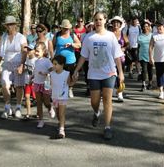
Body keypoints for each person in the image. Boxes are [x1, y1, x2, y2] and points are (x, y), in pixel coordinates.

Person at [73, 11, 125, 140]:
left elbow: (117, 55)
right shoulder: (88, 37)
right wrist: (76, 70)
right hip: (94, 74)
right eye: (96, 19)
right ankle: (96, 112)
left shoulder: (111, 36)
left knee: (107, 100)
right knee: (94, 101)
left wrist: (121, 72)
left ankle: (107, 127)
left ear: (105, 21)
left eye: (100, 19)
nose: (98, 22)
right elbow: (83, 56)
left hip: (109, 73)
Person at [0, 15, 28, 119]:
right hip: (7, 64)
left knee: (19, 86)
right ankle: (7, 106)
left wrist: (22, 65)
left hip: (18, 64)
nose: (9, 26)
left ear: (15, 25)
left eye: (11, 24)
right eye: (8, 25)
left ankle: (18, 107)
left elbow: (25, 51)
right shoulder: (4, 37)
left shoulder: (21, 37)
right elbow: (1, 53)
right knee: (4, 84)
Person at [52, 19, 81, 98]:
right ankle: (61, 90)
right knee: (60, 75)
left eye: (67, 28)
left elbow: (79, 44)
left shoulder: (72, 35)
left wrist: (72, 44)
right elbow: (52, 46)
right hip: (59, 60)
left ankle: (70, 88)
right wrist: (51, 57)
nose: (66, 30)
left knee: (71, 75)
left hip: (70, 60)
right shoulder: (57, 35)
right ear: (61, 28)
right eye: (64, 28)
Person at [49, 55, 75, 139]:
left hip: (63, 97)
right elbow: (49, 84)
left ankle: (61, 130)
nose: (54, 66)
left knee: (61, 113)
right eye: (53, 64)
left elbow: (69, 84)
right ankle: (61, 123)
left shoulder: (66, 73)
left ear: (62, 64)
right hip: (55, 96)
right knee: (58, 114)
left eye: (56, 64)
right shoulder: (51, 74)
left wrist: (74, 80)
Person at [32, 43, 55, 128]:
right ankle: (41, 120)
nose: (36, 53)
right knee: (38, 102)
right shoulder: (36, 61)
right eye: (35, 51)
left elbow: (52, 71)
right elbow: (35, 71)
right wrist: (32, 76)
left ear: (44, 51)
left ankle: (50, 108)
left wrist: (46, 73)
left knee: (46, 102)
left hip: (46, 83)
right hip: (37, 83)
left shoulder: (47, 61)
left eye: (38, 51)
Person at [110, 16, 128, 102]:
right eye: (114, 22)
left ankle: (120, 93)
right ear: (112, 24)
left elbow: (128, 43)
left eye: (117, 23)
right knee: (111, 74)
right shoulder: (108, 33)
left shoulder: (122, 34)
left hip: (121, 58)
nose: (116, 24)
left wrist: (124, 48)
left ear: (120, 24)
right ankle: (111, 90)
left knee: (120, 75)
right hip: (110, 58)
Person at [137, 21, 153, 91]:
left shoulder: (152, 35)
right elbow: (138, 46)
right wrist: (137, 56)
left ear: (149, 27)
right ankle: (143, 84)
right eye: (144, 26)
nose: (145, 28)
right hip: (142, 55)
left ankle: (150, 83)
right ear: (142, 27)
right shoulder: (140, 36)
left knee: (150, 70)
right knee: (144, 70)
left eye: (147, 26)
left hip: (151, 55)